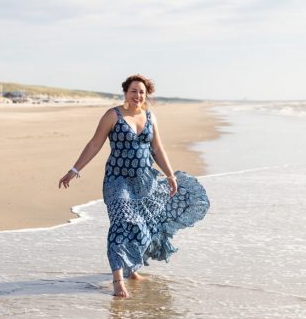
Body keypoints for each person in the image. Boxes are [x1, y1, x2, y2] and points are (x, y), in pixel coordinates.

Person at [58, 74, 210, 298]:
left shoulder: (150, 117)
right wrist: (74, 170)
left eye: (141, 92)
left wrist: (170, 175)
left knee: (142, 226)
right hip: (117, 180)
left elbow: (157, 149)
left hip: (145, 181)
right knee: (121, 223)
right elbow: (94, 144)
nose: (137, 95)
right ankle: (118, 280)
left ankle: (132, 269)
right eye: (133, 91)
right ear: (125, 92)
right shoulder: (113, 115)